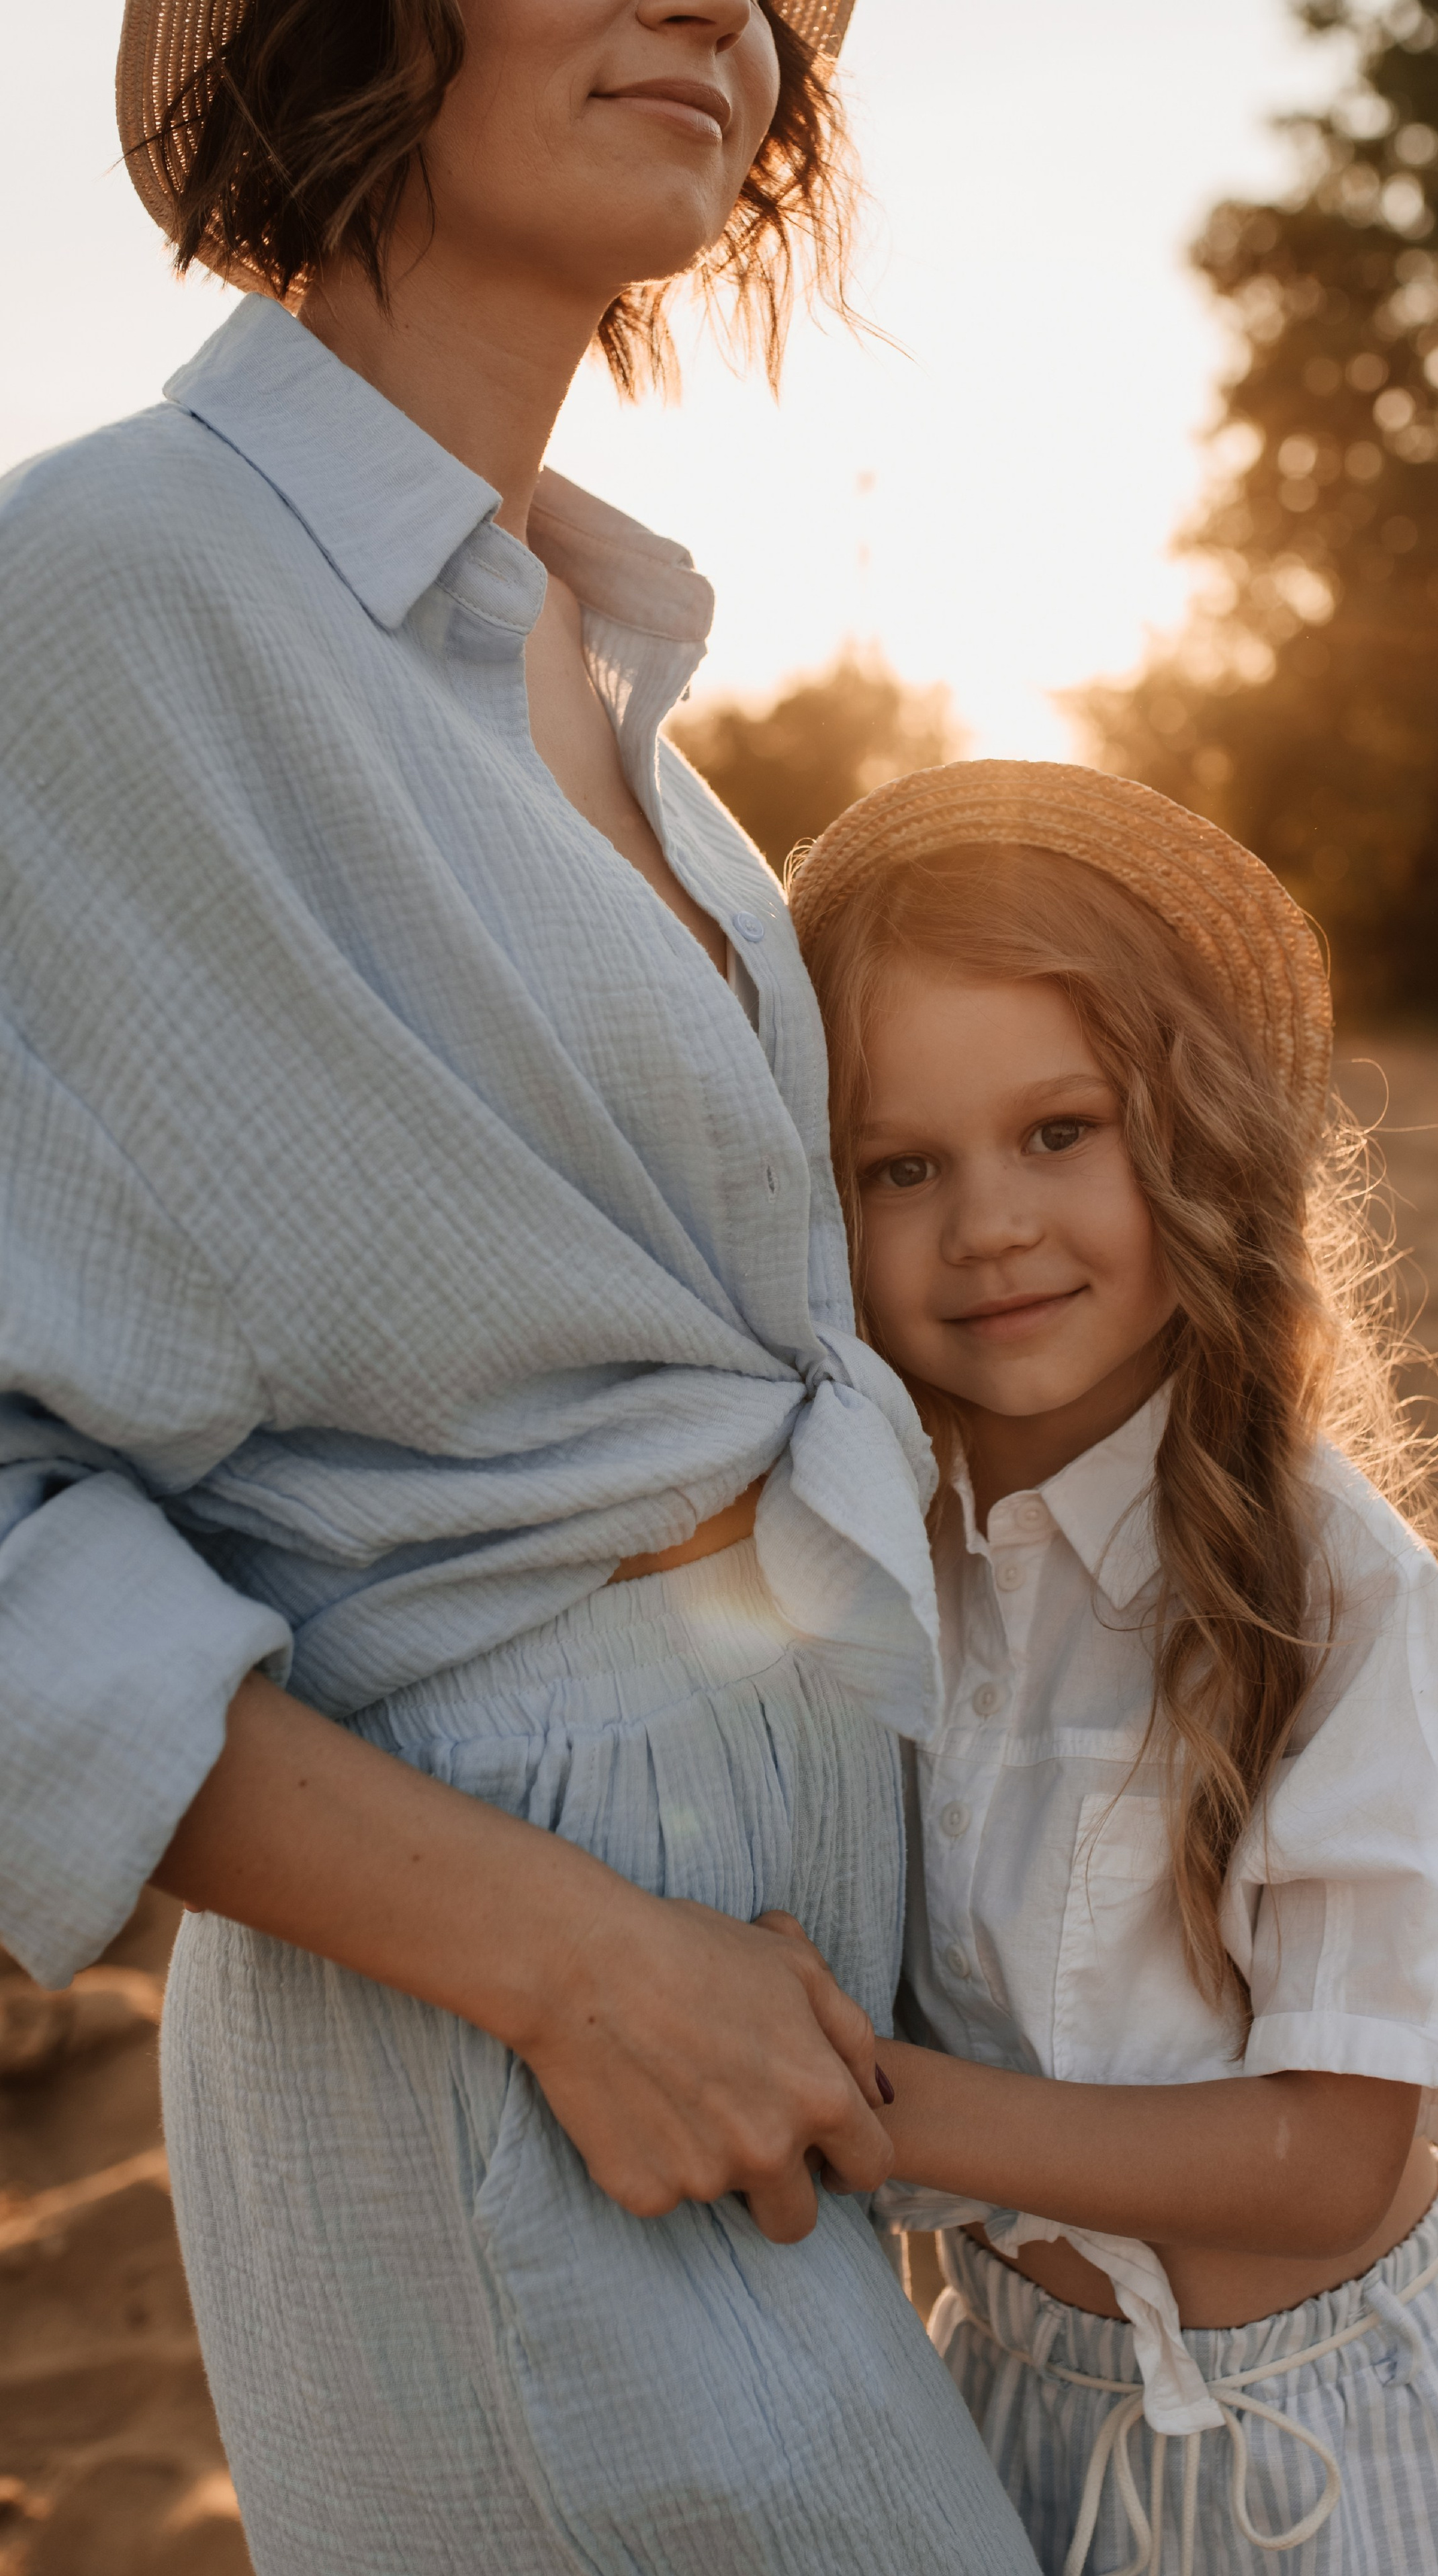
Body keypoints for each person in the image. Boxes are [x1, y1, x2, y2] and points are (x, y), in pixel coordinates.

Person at [0, 7, 1047, 2572]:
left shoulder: (595, 664)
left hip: (769, 2014)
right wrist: (578, 1964)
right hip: (512, 2035)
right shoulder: (96, 593)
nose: (724, 10)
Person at [789, 760, 1438, 2576]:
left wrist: (887, 2114)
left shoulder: (1322, 1576)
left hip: (1320, 2443)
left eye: (1060, 1130)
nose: (989, 1219)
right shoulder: (874, 1554)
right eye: (901, 1164)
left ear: (1189, 1131)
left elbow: (1326, 2160)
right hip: (1007, 2387)